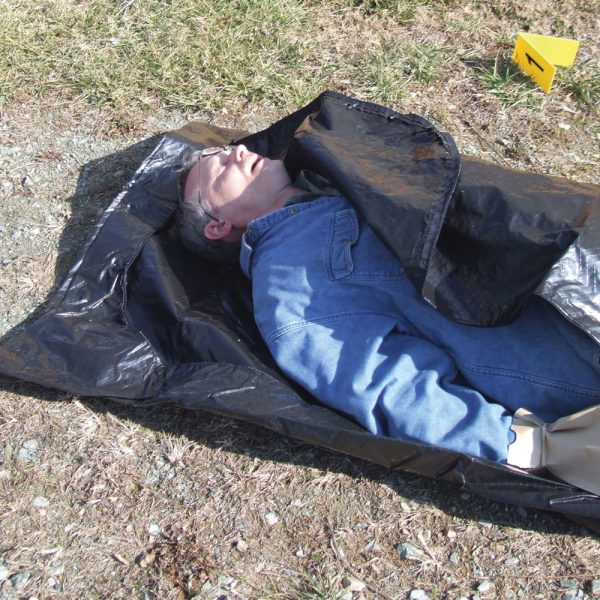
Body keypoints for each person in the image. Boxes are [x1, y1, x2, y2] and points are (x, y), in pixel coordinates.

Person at [177, 144, 600, 483]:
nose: (237, 151)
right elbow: (379, 382)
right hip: (572, 339)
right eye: (219, 168)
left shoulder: (337, 172)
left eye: (229, 149)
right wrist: (523, 444)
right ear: (218, 225)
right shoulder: (288, 281)